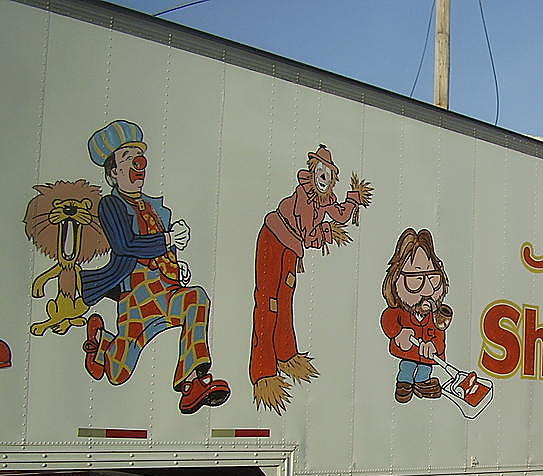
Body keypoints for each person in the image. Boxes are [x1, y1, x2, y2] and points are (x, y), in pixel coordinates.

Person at [80, 120, 229, 414]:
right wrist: (168, 238)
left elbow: (160, 251)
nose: (138, 162)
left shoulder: (152, 206)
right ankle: (100, 347)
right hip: (136, 296)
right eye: (128, 157)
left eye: (139, 155)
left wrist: (177, 267)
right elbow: (126, 245)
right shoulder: (111, 205)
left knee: (195, 299)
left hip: (165, 290)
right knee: (119, 371)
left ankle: (191, 383)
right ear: (113, 173)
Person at [249, 145, 371, 413]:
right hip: (274, 239)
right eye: (320, 172)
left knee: (284, 302)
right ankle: (263, 372)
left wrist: (352, 200)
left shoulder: (324, 199)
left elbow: (339, 214)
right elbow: (307, 230)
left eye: (329, 175)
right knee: (268, 303)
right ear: (311, 172)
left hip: (291, 250)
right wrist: (325, 232)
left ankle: (286, 355)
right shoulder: (304, 195)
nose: (324, 178)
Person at [380, 228, 452, 403]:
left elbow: (440, 336)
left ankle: (421, 384)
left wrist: (435, 347)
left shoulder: (434, 316)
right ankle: (404, 384)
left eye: (433, 278)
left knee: (424, 369)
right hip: (408, 351)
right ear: (396, 280)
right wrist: (398, 333)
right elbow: (388, 319)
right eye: (416, 280)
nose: (428, 289)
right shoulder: (400, 310)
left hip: (426, 357)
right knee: (407, 366)